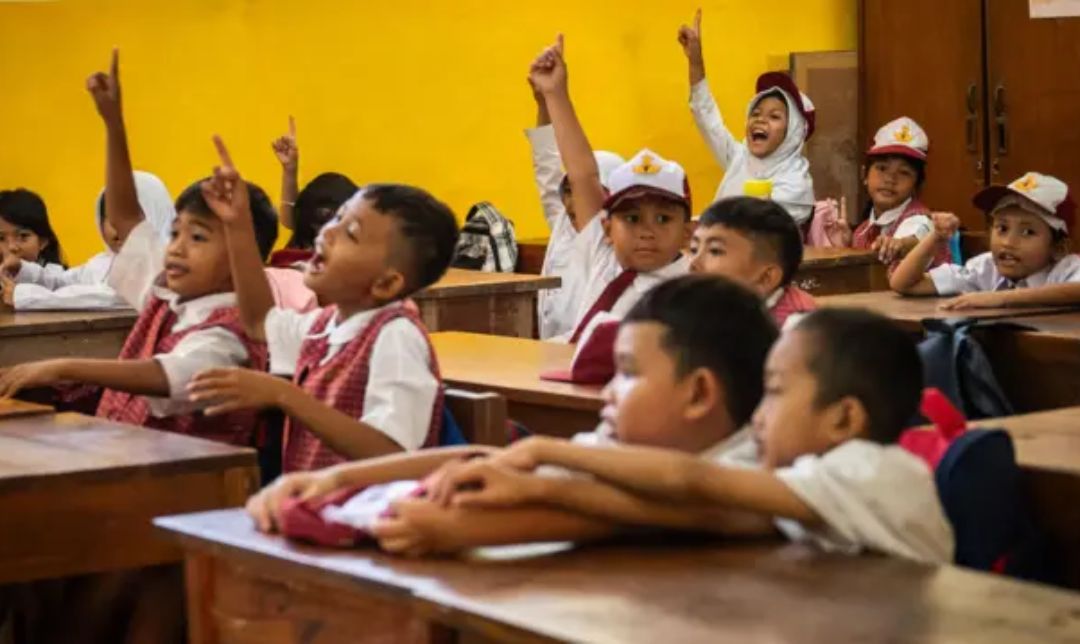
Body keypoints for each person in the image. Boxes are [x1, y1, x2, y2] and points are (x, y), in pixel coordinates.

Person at [244, 275, 777, 554]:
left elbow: (604, 512)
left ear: (699, 394)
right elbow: (488, 458)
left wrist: (456, 527)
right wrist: (336, 482)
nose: (610, 393)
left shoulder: (754, 478)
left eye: (628, 373)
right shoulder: (624, 450)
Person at [429, 308, 953, 565]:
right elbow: (694, 511)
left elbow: (693, 481)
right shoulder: (818, 481)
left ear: (843, 419)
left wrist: (543, 452)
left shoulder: (872, 472)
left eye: (774, 392)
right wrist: (538, 485)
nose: (758, 416)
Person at [0, 50, 272, 448]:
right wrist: (113, 125)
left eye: (197, 238)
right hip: (122, 453)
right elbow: (127, 218)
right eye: (175, 233)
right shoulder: (165, 293)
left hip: (178, 479)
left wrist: (61, 366)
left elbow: (165, 375)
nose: (176, 248)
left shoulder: (226, 335)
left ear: (242, 256)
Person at [187, 139, 459, 472]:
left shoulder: (397, 337)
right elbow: (259, 322)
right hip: (313, 499)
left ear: (386, 284)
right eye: (337, 219)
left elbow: (391, 452)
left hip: (366, 505)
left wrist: (285, 395)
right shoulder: (325, 325)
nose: (328, 233)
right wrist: (237, 224)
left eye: (351, 233)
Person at [527, 36, 692, 343]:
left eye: (663, 219)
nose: (647, 231)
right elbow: (582, 174)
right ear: (606, 228)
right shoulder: (603, 254)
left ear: (687, 233)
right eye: (632, 219)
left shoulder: (689, 295)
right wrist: (555, 94)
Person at [679, 9, 815, 224]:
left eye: (774, 116)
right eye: (756, 113)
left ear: (792, 133)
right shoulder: (739, 158)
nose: (760, 120)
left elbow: (757, 225)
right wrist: (696, 62)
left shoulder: (796, 183)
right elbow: (706, 117)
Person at [891, 172, 1080, 310]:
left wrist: (1002, 298)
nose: (1008, 242)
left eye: (1027, 232)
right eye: (1002, 228)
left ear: (1059, 248)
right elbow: (904, 284)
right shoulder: (985, 268)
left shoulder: (1067, 269)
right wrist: (936, 238)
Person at [526, 79, 624, 340]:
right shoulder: (561, 224)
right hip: (548, 349)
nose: (572, 203)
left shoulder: (613, 246)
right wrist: (544, 105)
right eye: (567, 191)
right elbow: (546, 164)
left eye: (582, 193)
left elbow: (584, 175)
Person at [2, 171, 175, 310]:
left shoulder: (164, 266)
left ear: (156, 215)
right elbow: (63, 281)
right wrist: (23, 269)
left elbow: (109, 297)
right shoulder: (102, 262)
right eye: (109, 218)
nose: (117, 226)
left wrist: (28, 296)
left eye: (129, 217)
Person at [810, 117, 949, 271]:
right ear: (864, 175)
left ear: (917, 185)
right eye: (882, 168)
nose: (890, 179)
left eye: (904, 172)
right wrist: (847, 246)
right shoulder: (861, 231)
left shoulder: (920, 220)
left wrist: (898, 244)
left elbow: (917, 239)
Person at [689, 196, 816, 328]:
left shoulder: (796, 330)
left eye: (715, 251)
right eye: (693, 249)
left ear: (765, 278)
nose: (693, 264)